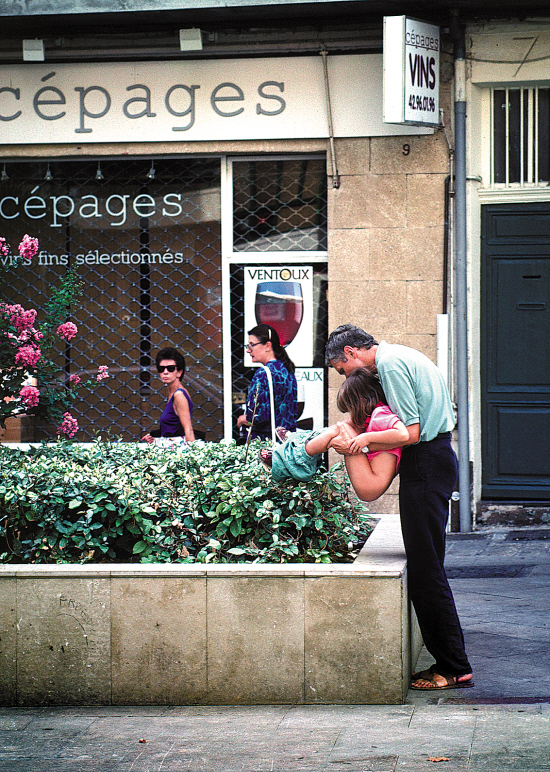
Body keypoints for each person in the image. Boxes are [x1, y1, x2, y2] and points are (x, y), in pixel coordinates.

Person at [325, 324, 473, 691]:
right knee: (428, 567)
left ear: (350, 354)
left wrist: (362, 441)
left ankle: (453, 667)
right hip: (436, 459)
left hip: (425, 461)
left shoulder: (389, 363)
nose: (350, 376)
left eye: (343, 370)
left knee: (426, 571)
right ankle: (450, 662)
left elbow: (411, 432)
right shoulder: (404, 354)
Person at [259, 368, 408, 503]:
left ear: (362, 401)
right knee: (343, 428)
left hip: (370, 484)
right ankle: (299, 443)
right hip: (370, 481)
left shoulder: (381, 413)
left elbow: (403, 434)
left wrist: (366, 438)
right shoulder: (376, 416)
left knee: (341, 427)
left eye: (351, 409)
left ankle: (295, 450)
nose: (351, 413)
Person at [237, 324, 297, 441]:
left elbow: (258, 416)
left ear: (268, 346)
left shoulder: (263, 373)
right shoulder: (287, 370)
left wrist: (243, 419)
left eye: (252, 345)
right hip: (285, 441)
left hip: (265, 444)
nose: (248, 350)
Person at [141, 347, 195, 445]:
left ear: (179, 372)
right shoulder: (172, 394)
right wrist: (156, 436)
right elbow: (174, 427)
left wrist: (194, 455)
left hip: (177, 454)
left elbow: (188, 429)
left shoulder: (179, 395)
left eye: (170, 368)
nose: (165, 372)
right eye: (161, 369)